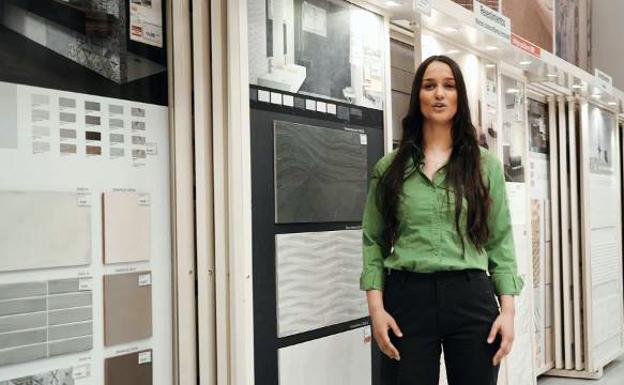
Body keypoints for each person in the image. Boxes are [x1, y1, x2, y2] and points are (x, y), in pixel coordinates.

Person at [360, 55, 524, 385]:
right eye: (429, 85)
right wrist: (377, 311)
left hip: (471, 299)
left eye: (448, 86)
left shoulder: (484, 166)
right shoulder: (390, 168)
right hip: (407, 302)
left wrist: (507, 312)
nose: (439, 94)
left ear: (459, 97)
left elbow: (499, 241)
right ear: (417, 96)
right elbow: (373, 242)